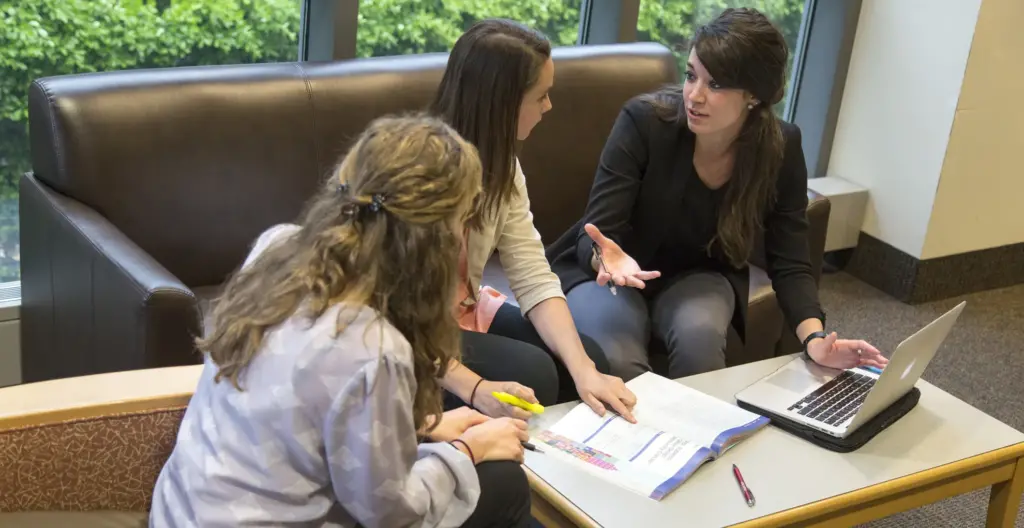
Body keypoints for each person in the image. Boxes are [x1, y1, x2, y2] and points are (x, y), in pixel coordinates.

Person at [150, 115, 533, 528]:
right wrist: (466, 450)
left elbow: (306, 405)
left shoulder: (276, 247)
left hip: (180, 513)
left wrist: (424, 427)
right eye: (464, 219)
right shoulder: (375, 349)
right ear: (434, 241)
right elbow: (392, 515)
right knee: (503, 483)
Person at [547, 8, 889, 381]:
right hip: (614, 275)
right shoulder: (644, 122)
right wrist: (604, 258)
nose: (694, 96)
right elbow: (596, 233)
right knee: (620, 360)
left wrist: (815, 338)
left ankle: (697, 437)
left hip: (700, 274)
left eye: (716, 85)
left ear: (754, 96)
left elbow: (790, 260)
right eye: (692, 75)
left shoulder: (781, 146)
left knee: (701, 341)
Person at [429, 18, 637, 421]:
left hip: (464, 311)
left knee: (589, 359)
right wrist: (473, 386)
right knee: (534, 375)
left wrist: (585, 371)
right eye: (541, 96)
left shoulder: (502, 165)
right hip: (408, 332)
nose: (549, 106)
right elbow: (389, 318)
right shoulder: (421, 176)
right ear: (503, 103)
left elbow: (532, 275)